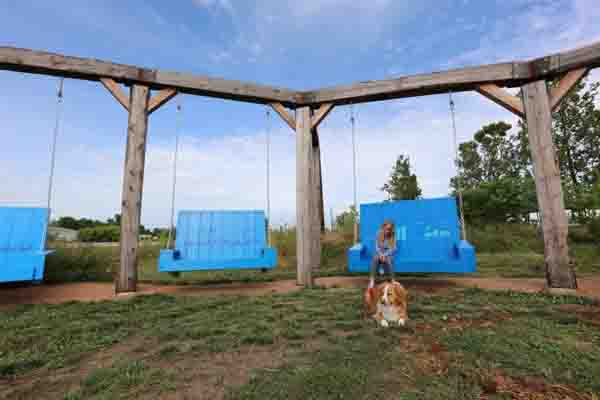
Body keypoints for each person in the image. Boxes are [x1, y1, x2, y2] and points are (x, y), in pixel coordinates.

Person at [369, 220, 396, 287]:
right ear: (383, 228)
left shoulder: (393, 235)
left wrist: (385, 255)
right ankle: (372, 280)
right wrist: (381, 254)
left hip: (388, 253)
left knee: (389, 261)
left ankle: (392, 280)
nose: (387, 230)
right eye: (386, 228)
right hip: (379, 252)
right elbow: (376, 246)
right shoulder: (379, 233)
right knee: (375, 259)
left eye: (389, 229)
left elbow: (393, 248)